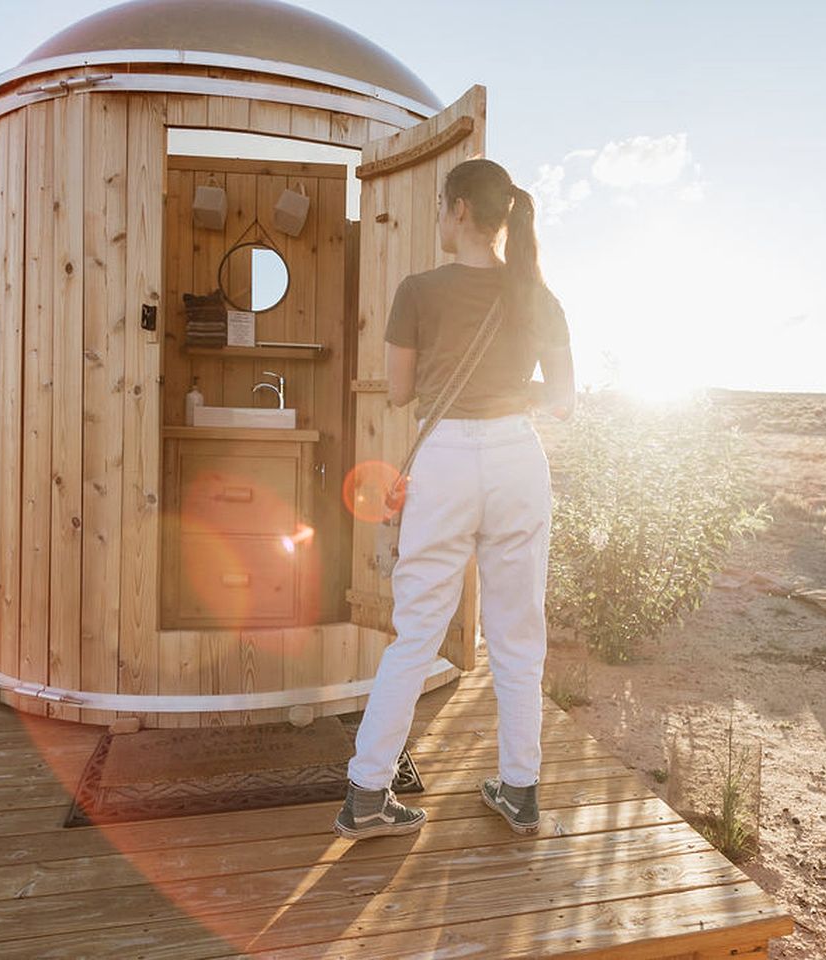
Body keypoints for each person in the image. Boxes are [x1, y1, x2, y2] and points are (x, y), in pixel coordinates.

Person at [333, 157, 575, 841]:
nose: (440, 218)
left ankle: (368, 794)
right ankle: (520, 789)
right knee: (517, 634)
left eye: (441, 206)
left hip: (441, 460)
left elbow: (402, 392)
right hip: (516, 460)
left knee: (416, 632)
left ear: (460, 209)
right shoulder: (538, 294)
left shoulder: (418, 290)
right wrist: (507, 391)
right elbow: (562, 400)